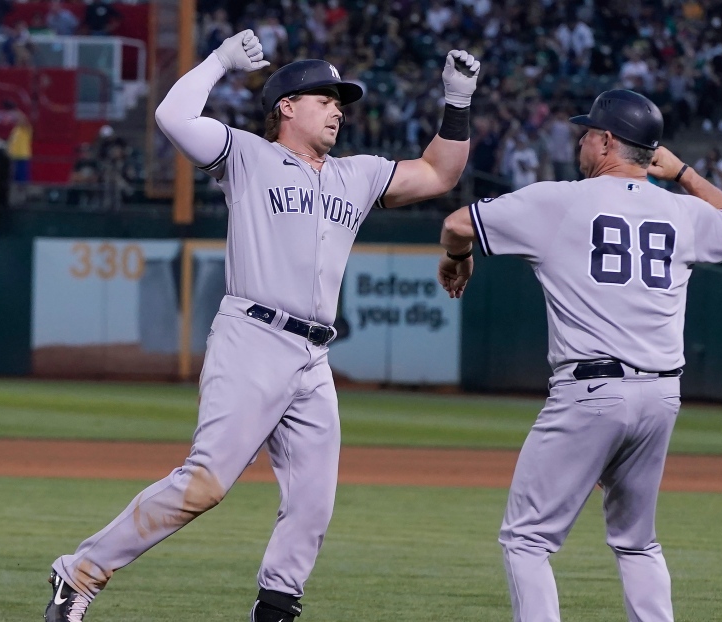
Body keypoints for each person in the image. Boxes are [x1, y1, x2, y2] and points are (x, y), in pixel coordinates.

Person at [43, 30, 481, 622]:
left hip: (314, 355)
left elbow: (438, 174)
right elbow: (172, 115)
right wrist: (220, 61)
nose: (336, 109)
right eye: (324, 98)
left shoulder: (356, 173)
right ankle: (80, 573)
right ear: (286, 107)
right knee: (205, 484)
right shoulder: (248, 156)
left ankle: (276, 608)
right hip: (253, 335)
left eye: (340, 102)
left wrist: (458, 100)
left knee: (312, 500)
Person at [437, 90, 722, 622]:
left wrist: (459, 258)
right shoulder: (682, 211)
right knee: (637, 542)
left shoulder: (560, 199)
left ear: (607, 141)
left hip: (591, 390)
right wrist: (683, 174)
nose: (580, 140)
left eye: (587, 133)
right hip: (660, 396)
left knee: (527, 539)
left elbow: (456, 224)